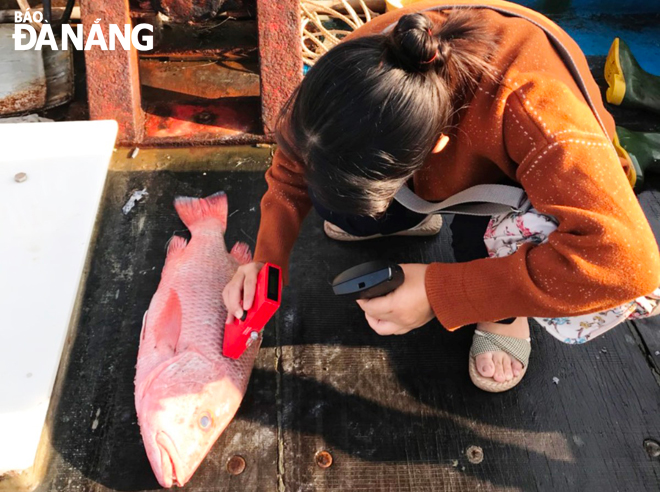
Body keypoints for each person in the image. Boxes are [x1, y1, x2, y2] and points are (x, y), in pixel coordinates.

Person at [223, 0, 660, 392]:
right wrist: (267, 258)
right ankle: (408, 212)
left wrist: (443, 293)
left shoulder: (543, 119)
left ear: (432, 152)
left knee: (485, 241)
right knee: (339, 200)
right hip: (426, 154)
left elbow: (630, 264)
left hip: (514, 180)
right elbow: (292, 166)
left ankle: (503, 311)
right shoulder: (351, 69)